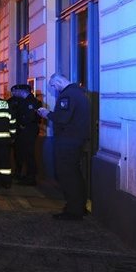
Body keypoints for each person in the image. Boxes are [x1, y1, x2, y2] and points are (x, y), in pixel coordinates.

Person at [37, 73, 91, 220]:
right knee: (75, 174)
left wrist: (47, 114)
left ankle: (73, 210)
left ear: (58, 81)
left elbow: (63, 118)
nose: (54, 89)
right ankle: (79, 206)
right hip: (76, 140)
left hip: (68, 141)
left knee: (67, 175)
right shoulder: (80, 93)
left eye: (53, 85)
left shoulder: (68, 95)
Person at [10, 83, 41, 185]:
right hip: (25, 131)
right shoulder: (24, 101)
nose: (15, 93)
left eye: (17, 91)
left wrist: (22, 124)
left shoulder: (30, 102)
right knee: (24, 154)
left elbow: (30, 117)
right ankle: (27, 175)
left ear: (23, 91)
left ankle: (31, 178)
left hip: (28, 130)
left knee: (29, 155)